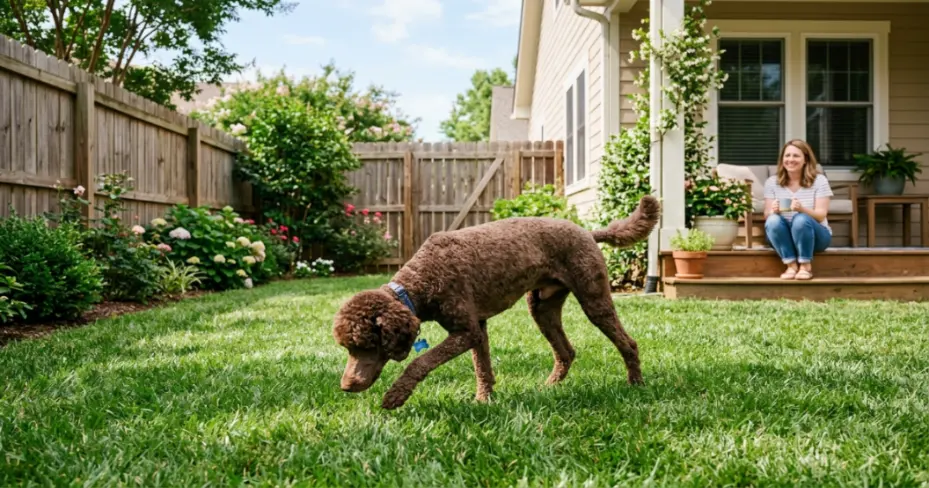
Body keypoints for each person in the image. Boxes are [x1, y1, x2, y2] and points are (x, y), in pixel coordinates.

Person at [763, 139, 834, 280]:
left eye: (796, 156)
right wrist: (773, 211)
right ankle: (791, 265)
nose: (790, 160)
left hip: (816, 237)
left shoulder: (819, 181)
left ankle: (805, 265)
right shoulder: (772, 182)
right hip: (784, 238)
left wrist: (802, 209)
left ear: (805, 160)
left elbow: (821, 216)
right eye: (787, 155)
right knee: (772, 220)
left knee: (800, 219)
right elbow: (766, 215)